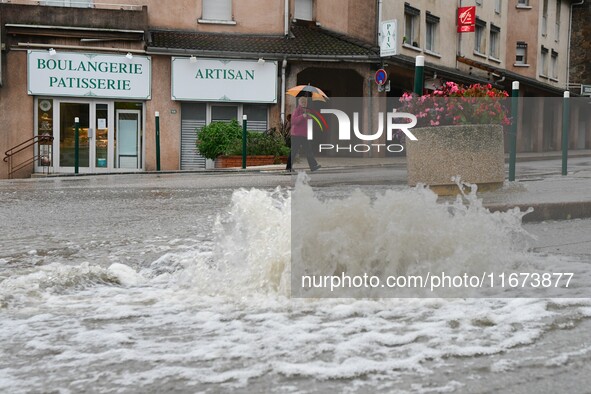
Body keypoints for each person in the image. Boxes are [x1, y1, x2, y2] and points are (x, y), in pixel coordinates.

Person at [285, 96, 321, 172]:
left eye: (305, 102)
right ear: (300, 103)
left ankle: (313, 166)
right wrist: (302, 116)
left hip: (304, 134)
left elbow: (309, 121)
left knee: (308, 150)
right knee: (294, 151)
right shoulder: (297, 111)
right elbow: (294, 121)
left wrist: (308, 117)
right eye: (303, 102)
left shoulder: (307, 111)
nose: (304, 104)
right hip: (296, 135)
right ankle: (288, 167)